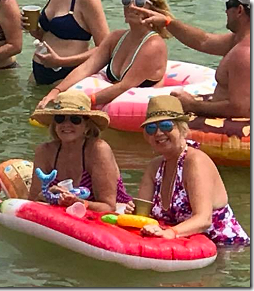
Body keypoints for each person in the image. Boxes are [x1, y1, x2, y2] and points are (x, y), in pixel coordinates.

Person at [125, 95, 250, 246]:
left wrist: (170, 233)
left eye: (166, 125)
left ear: (182, 128)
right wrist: (134, 212)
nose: (158, 133)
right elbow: (144, 215)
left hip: (225, 250)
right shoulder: (154, 167)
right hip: (181, 246)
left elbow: (203, 219)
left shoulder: (195, 162)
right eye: (151, 128)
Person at [37, 0, 172, 109]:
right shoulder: (116, 38)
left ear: (153, 9)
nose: (131, 6)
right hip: (109, 115)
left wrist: (82, 102)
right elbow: (86, 67)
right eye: (126, 2)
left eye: (139, 2)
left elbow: (125, 86)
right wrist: (56, 91)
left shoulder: (153, 45)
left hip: (137, 118)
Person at [131, 0, 250, 118]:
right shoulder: (237, 40)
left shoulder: (244, 53)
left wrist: (192, 106)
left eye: (229, 4)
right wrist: (168, 22)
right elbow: (204, 41)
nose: (225, 11)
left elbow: (240, 109)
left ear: (239, 10)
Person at [28, 90, 133, 212]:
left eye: (75, 119)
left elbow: (108, 206)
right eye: (60, 118)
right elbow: (32, 201)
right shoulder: (44, 151)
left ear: (87, 125)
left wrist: (78, 202)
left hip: (112, 215)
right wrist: (46, 195)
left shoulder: (98, 150)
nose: (66, 124)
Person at [23, 0, 109, 85]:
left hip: (67, 73)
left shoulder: (89, 2)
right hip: (39, 70)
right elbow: (51, 36)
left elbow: (106, 48)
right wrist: (34, 30)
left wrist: (61, 61)